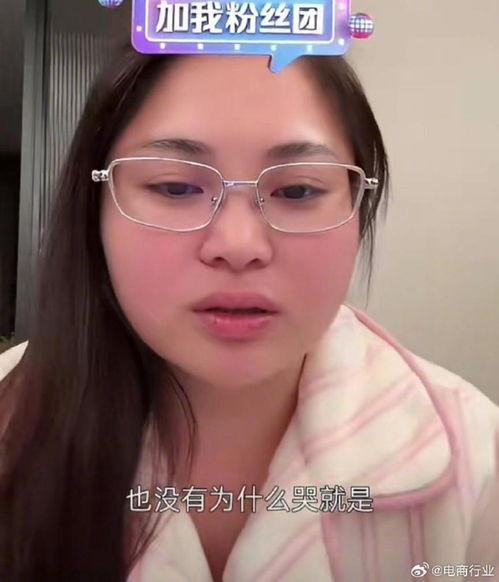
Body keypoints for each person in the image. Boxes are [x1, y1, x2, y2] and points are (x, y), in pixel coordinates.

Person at [0, 42, 498, 582]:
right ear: (95, 206)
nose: (238, 245)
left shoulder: (479, 458)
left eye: (298, 190)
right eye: (176, 186)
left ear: (359, 205)